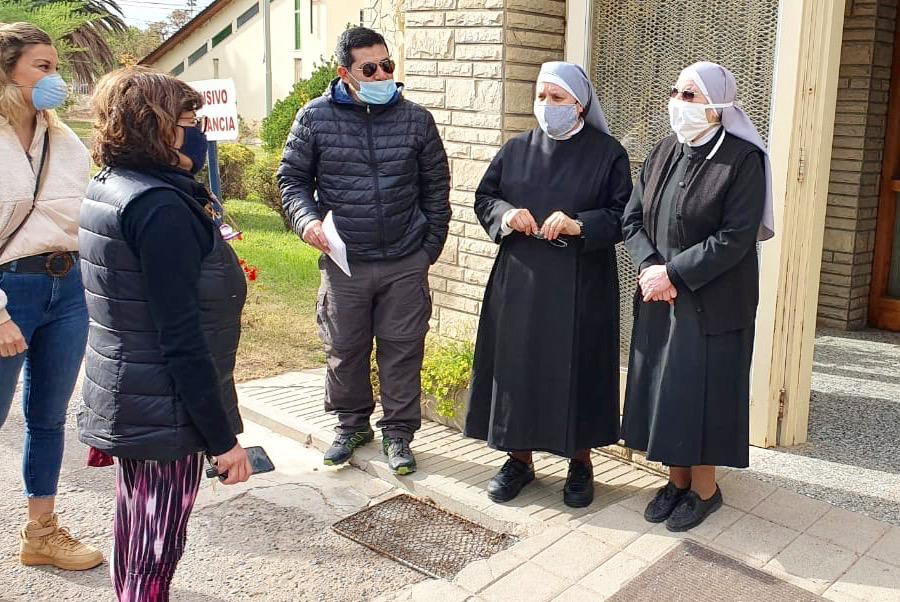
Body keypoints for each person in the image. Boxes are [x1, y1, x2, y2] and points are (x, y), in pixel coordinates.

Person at [78, 66, 253, 600]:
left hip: (134, 393)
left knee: (135, 538)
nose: (198, 129)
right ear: (155, 127)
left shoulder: (114, 184)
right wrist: (223, 441)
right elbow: (180, 337)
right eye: (187, 120)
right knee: (153, 551)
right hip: (163, 409)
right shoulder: (158, 207)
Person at [279, 27, 451, 473]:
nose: (382, 74)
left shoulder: (416, 119)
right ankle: (351, 425)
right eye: (369, 68)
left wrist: (426, 249)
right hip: (344, 261)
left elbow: (437, 189)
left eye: (387, 65)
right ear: (345, 73)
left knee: (402, 349)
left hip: (404, 259)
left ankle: (399, 434)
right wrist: (306, 220)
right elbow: (293, 180)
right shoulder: (314, 118)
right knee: (345, 347)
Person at [465, 62, 632, 507]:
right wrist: (505, 214)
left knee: (577, 366)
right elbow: (484, 197)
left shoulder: (608, 153)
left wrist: (580, 224)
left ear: (579, 105)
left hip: (582, 283)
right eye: (541, 96)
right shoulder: (516, 149)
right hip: (520, 279)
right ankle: (518, 459)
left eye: (557, 98)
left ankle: (580, 463)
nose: (546, 106)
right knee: (519, 366)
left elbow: (623, 216)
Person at [621, 62, 773, 532]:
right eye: (675, 92)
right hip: (659, 294)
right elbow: (632, 219)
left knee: (701, 394)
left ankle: (705, 490)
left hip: (714, 300)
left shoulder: (743, 160)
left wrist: (673, 274)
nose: (678, 103)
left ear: (717, 106)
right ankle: (675, 480)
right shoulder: (664, 150)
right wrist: (650, 269)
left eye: (689, 95)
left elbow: (735, 237)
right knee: (664, 391)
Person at [0, 22, 103, 571]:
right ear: (6, 70)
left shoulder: (62, 138)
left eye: (56, 65)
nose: (55, 78)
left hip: (68, 287)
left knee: (48, 416)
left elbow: (85, 214)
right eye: (43, 66)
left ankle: (41, 533)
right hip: (7, 288)